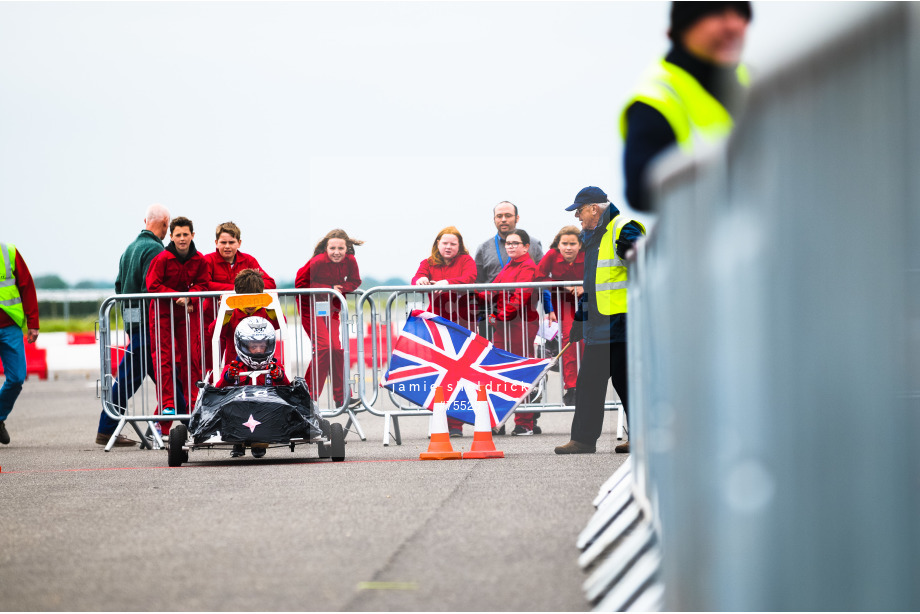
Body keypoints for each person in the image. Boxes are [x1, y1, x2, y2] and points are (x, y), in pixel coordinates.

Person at [621, 1, 752, 211]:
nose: (734, 25)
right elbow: (641, 192)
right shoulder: (658, 96)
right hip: (706, 238)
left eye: (742, 13)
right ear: (683, 26)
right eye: (717, 12)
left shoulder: (755, 81)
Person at [554, 187, 645, 455]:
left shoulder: (622, 227)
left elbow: (646, 262)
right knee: (589, 384)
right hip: (600, 325)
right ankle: (582, 440)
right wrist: (580, 320)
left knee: (625, 383)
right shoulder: (593, 237)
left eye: (580, 211)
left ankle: (641, 438)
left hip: (624, 323)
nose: (578, 217)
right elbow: (592, 285)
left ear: (594, 208)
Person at [96, 203, 171, 447]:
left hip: (133, 322)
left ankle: (167, 420)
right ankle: (107, 429)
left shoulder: (129, 249)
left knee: (168, 378)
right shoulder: (154, 249)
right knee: (131, 378)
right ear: (165, 225)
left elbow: (119, 286)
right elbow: (152, 287)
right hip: (148, 325)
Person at [146, 216, 210, 437]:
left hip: (186, 314)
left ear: (192, 235)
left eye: (186, 234)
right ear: (171, 236)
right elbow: (152, 285)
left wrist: (191, 297)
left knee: (192, 358)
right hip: (162, 314)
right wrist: (177, 297)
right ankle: (167, 408)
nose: (182, 239)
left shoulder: (200, 260)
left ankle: (194, 408)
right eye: (178, 235)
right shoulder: (162, 259)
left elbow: (204, 283)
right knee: (164, 360)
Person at [411, 226, 477, 436]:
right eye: (445, 243)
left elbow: (470, 277)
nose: (448, 247)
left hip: (462, 323)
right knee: (439, 376)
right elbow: (416, 279)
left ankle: (456, 424)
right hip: (437, 325)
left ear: (459, 246)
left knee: (461, 375)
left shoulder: (466, 261)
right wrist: (420, 280)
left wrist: (447, 282)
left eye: (453, 244)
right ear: (437, 245)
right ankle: (440, 422)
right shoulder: (428, 262)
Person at [478, 230, 541, 436]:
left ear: (525, 246)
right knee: (501, 372)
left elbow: (519, 298)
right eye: (508, 243)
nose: (511, 246)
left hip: (520, 326)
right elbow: (491, 290)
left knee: (521, 372)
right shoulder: (509, 266)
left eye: (515, 243)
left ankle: (525, 422)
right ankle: (501, 419)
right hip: (504, 326)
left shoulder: (528, 267)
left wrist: (498, 317)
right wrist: (464, 290)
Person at [296, 229, 362, 408]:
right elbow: (300, 283)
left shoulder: (350, 261)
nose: (336, 252)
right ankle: (308, 396)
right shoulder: (317, 261)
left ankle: (342, 397)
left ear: (347, 248)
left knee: (335, 349)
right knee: (323, 348)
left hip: (331, 308)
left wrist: (341, 290)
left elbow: (356, 281)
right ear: (326, 248)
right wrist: (329, 287)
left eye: (341, 248)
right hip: (311, 307)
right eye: (332, 248)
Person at [202, 221, 276, 371]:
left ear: (239, 243)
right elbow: (203, 285)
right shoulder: (208, 260)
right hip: (211, 319)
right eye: (223, 242)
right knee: (209, 363)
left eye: (231, 242)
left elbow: (269, 283)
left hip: (241, 322)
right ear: (216, 243)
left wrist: (237, 293)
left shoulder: (249, 260)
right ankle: (210, 389)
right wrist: (238, 292)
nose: (227, 246)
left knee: (235, 360)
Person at [217, 315, 290, 458]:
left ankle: (259, 441)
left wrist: (279, 376)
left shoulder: (274, 366)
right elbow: (218, 389)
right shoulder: (234, 367)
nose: (258, 350)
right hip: (238, 413)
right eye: (253, 346)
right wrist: (229, 377)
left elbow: (287, 388)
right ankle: (238, 443)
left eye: (262, 346)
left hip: (268, 412)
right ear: (243, 346)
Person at [536, 226, 585, 407]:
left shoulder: (588, 255)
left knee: (587, 342)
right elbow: (538, 278)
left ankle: (586, 384)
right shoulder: (551, 255)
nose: (568, 248)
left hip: (587, 300)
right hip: (563, 301)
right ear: (558, 244)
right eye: (564, 244)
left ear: (580, 245)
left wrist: (585, 286)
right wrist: (562, 285)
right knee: (569, 340)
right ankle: (571, 386)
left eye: (573, 244)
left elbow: (600, 275)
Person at [0, 243, 40, 446]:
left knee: (16, 377)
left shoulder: (8, 252)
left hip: (9, 326)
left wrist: (33, 323)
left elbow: (27, 285)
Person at [207, 268, 281, 369]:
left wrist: (272, 309)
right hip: (235, 367)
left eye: (254, 299)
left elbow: (281, 323)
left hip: (262, 364)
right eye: (246, 299)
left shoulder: (265, 311)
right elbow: (213, 331)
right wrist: (225, 314)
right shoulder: (232, 313)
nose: (250, 305)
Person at [474, 201, 544, 284]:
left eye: (508, 216)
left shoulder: (534, 244)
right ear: (494, 219)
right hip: (493, 296)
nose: (503, 220)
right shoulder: (483, 248)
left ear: (517, 218)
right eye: (499, 216)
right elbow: (478, 282)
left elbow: (542, 276)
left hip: (523, 295)